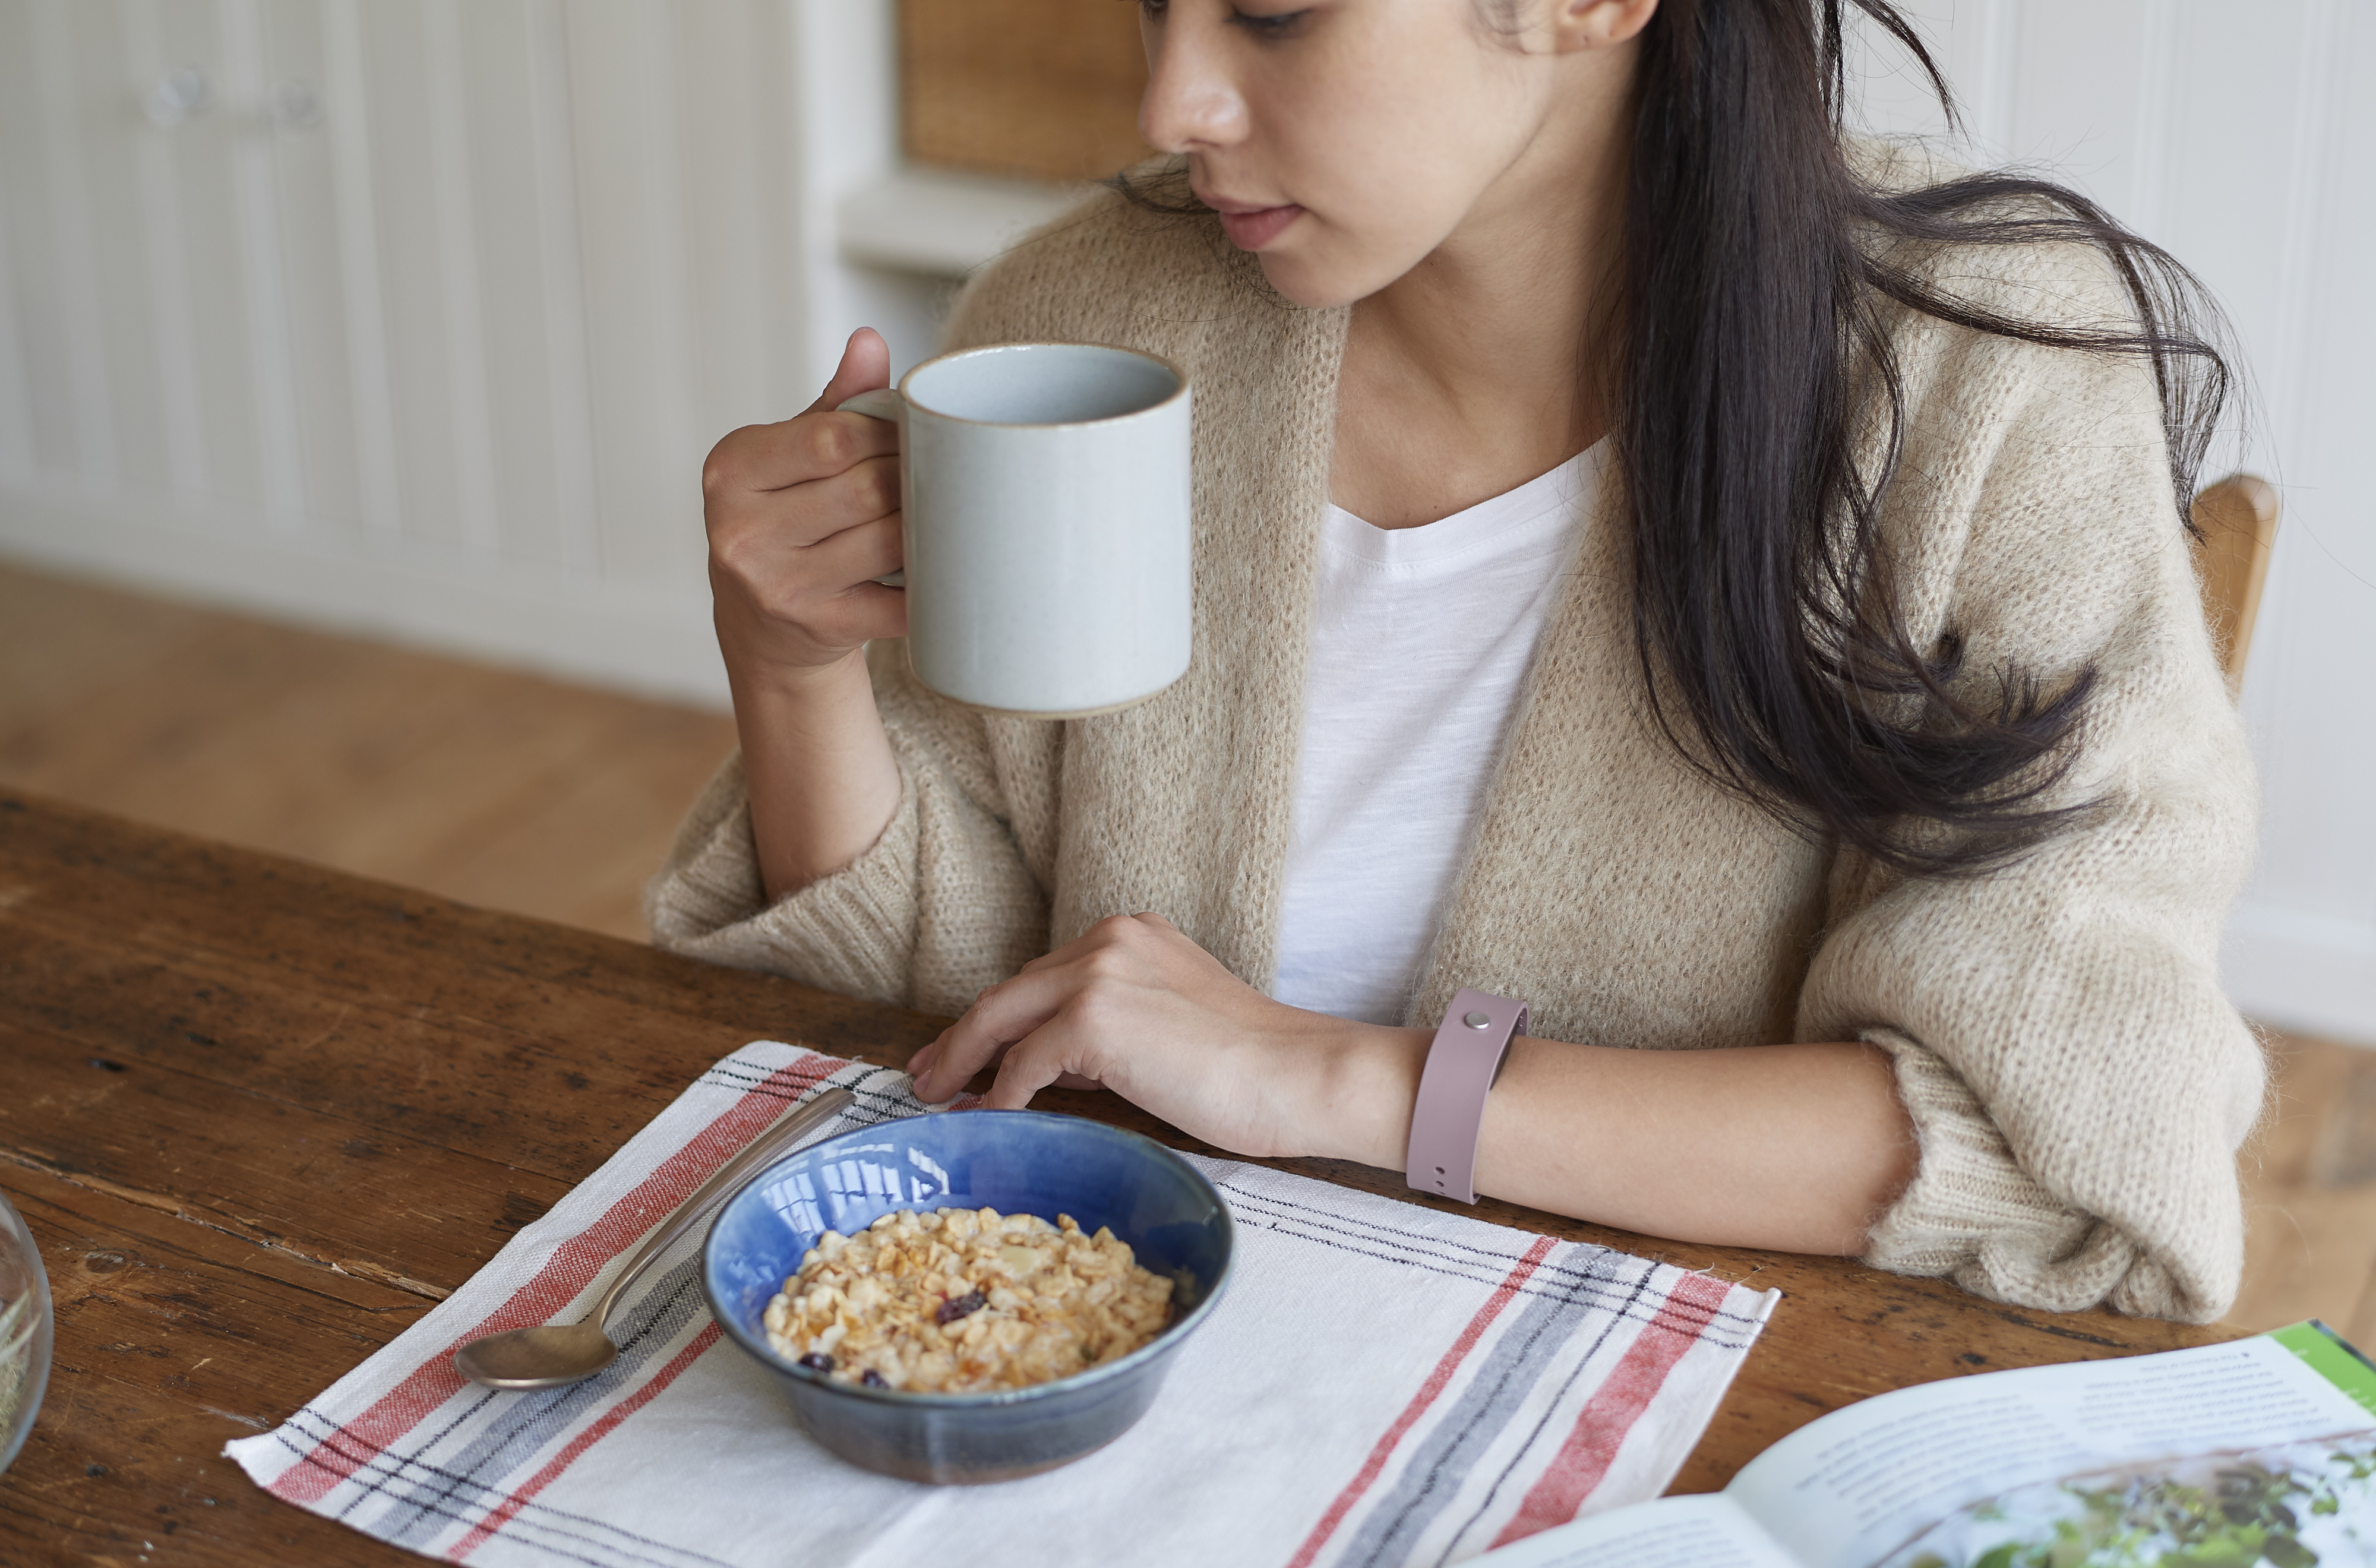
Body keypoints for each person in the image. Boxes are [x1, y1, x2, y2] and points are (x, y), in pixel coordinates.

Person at [655, 0, 2261, 1323]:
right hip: (1103, 1348)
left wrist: (1349, 1085)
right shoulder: (1090, 319)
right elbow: (921, 1035)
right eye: (1155, 7)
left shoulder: (1983, 387)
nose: (1175, 99)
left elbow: (2058, 1133)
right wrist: (793, 669)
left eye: (1273, 14)